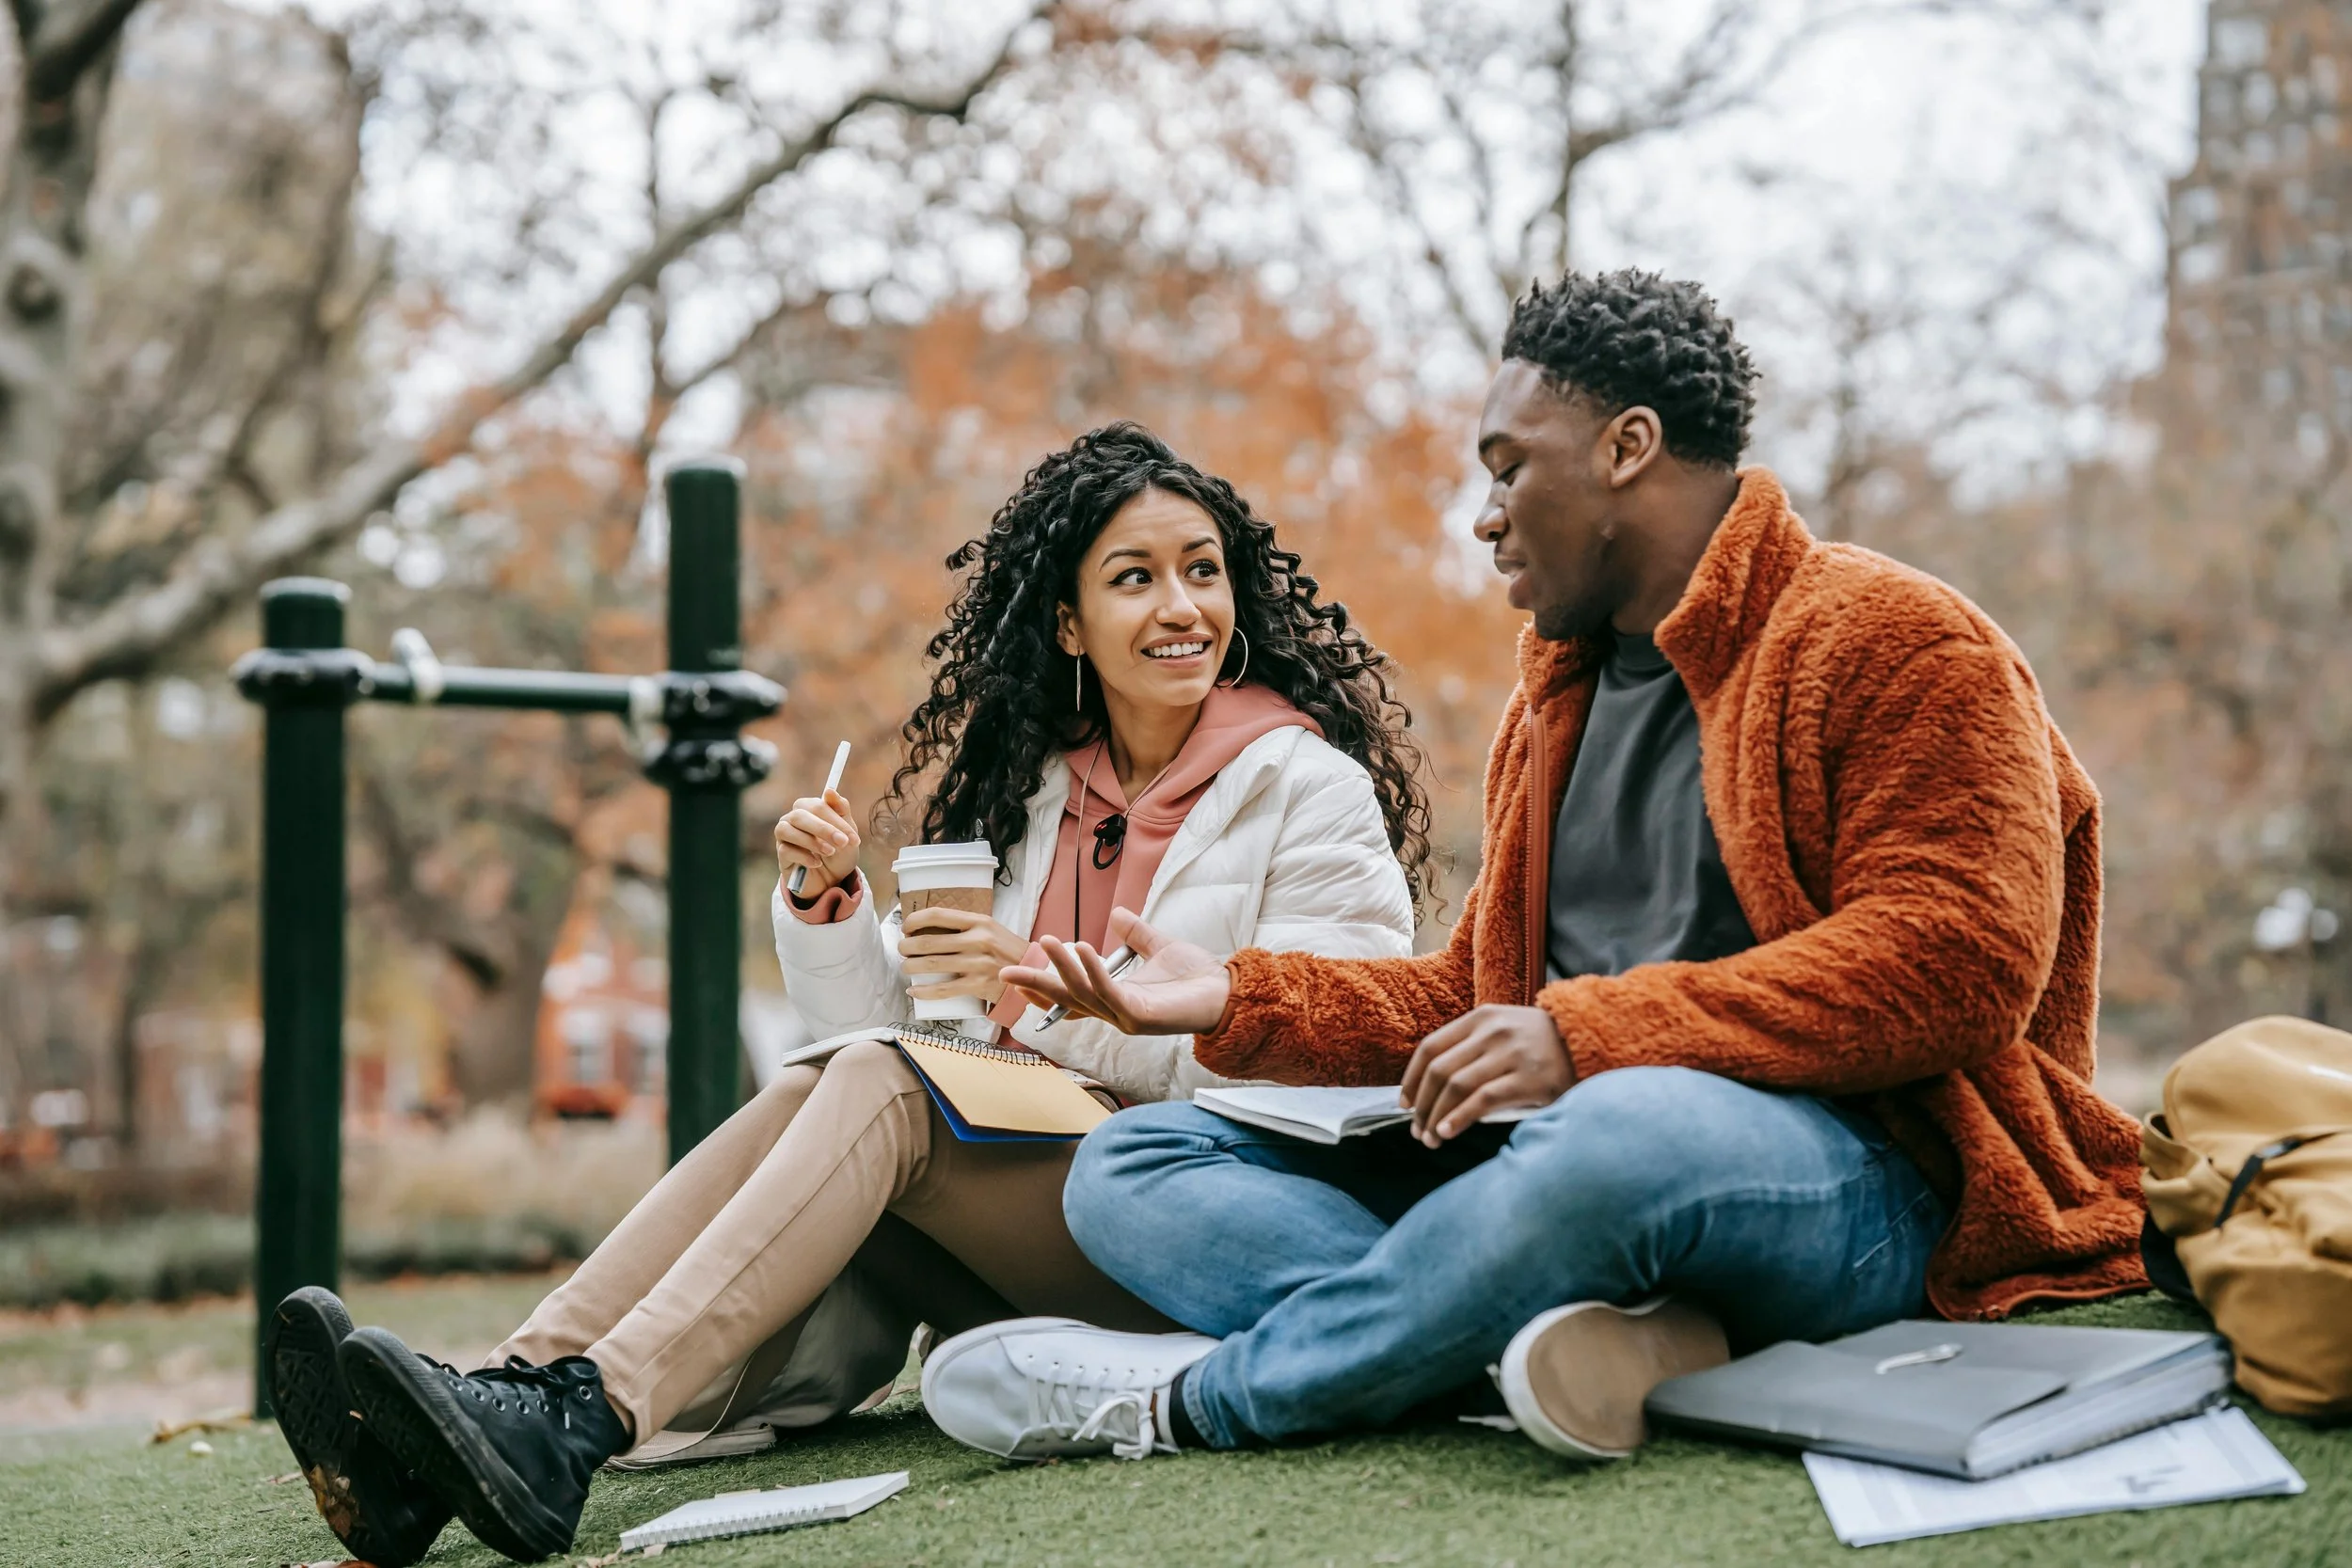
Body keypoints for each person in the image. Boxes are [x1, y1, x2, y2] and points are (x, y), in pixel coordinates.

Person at [918, 270, 2150, 1466]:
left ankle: (1202, 1396)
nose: (1485, 511)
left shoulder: (1894, 637)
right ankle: (1548, 1343)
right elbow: (1474, 996)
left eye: (1509, 466)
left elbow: (1957, 954)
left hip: (1867, 1177)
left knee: (1620, 1127)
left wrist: (1585, 1036)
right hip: (1558, 1158)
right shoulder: (1551, 696)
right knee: (1133, 1164)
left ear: (1626, 446)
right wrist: (1239, 996)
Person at [266, 422, 1432, 1564]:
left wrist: (1050, 1004)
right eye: (1135, 577)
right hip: (1025, 1213)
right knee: (830, 1078)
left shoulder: (1304, 786)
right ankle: (495, 1404)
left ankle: (578, 1416)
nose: (1181, 605)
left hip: (1186, 1222)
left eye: (1201, 571)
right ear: (1069, 620)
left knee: (879, 1081)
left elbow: (1330, 1046)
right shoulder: (1029, 788)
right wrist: (830, 907)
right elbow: (888, 1046)